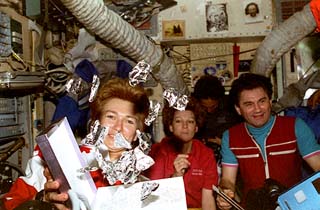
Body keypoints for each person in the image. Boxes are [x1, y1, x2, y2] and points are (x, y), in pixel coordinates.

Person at [1, 77, 150, 210]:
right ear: (95, 123)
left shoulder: (144, 183)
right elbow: (10, 205)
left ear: (138, 133)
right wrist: (42, 201)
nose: (118, 127)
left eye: (129, 121)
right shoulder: (56, 159)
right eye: (111, 116)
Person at [216, 73, 320, 210]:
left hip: (293, 206)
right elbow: (228, 180)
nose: (258, 109)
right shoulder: (230, 136)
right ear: (238, 109)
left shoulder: (295, 126)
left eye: (262, 101)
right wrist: (225, 193)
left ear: (270, 101)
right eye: (249, 104)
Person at [146, 97, 218, 210]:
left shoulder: (205, 154)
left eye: (190, 121)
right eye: (178, 121)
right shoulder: (158, 151)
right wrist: (175, 177)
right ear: (170, 127)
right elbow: (154, 198)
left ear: (196, 128)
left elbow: (208, 200)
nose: (185, 126)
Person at [192, 75, 241, 162]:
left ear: (219, 99)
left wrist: (225, 143)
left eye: (213, 106)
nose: (209, 110)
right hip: (201, 157)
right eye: (205, 107)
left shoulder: (233, 109)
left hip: (231, 155)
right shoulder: (193, 111)